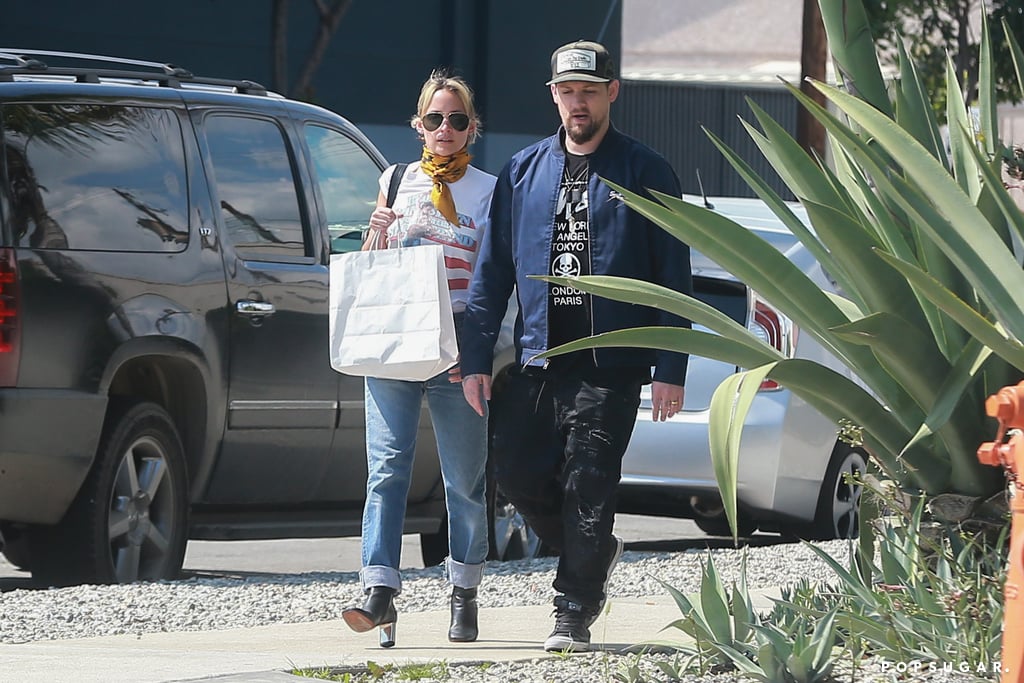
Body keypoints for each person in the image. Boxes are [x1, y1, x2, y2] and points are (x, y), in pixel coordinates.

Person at [459, 40, 693, 653]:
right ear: (554, 96)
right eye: (567, 92)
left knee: (590, 481)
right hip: (539, 358)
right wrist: (476, 359)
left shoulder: (646, 172)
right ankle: (595, 549)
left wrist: (671, 366)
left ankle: (573, 611)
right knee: (512, 471)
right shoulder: (523, 171)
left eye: (589, 91)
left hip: (609, 362)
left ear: (612, 92)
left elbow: (674, 276)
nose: (577, 103)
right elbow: (491, 274)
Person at [342, 70, 496, 648]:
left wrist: (479, 351)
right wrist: (375, 231)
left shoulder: (488, 189)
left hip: (457, 346)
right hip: (396, 339)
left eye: (457, 120)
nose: (445, 129)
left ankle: (464, 591)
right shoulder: (395, 179)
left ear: (472, 128)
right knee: (386, 470)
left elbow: (492, 275)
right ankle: (379, 591)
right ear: (418, 127)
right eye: (435, 119)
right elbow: (373, 269)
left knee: (465, 481)